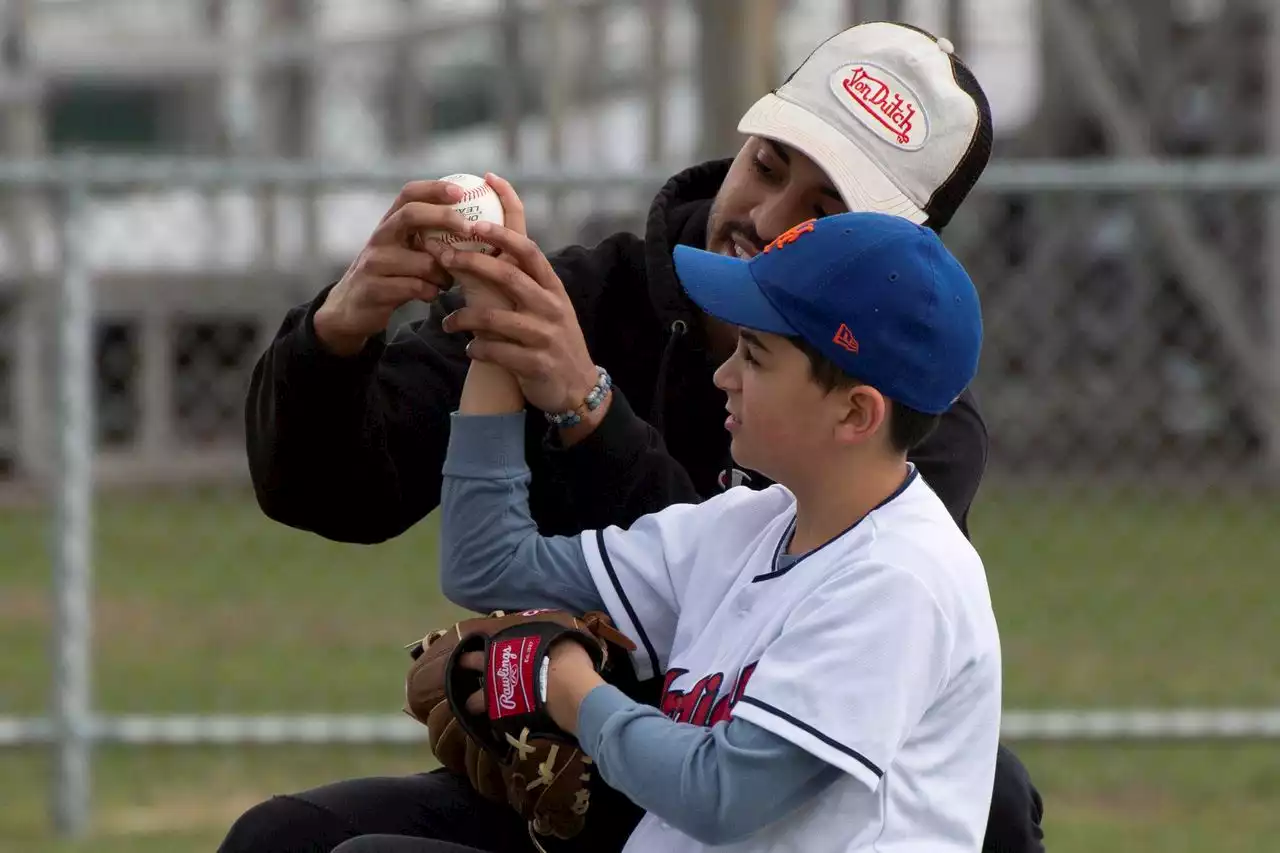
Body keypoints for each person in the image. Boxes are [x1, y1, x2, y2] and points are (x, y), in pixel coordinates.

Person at [227, 20, 1045, 853]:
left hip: (746, 793)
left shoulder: (909, 447)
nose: (763, 216)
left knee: (995, 799)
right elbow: (340, 495)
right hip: (565, 778)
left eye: (824, 212)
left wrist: (588, 412)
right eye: (767, 162)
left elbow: (736, 734)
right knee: (284, 841)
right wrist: (375, 333)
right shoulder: (594, 301)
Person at [331, 209, 1002, 853]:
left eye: (756, 356)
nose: (724, 376)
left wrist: (568, 687)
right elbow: (488, 565)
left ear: (855, 412)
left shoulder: (902, 579)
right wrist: (496, 330)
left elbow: (721, 792)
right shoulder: (750, 524)